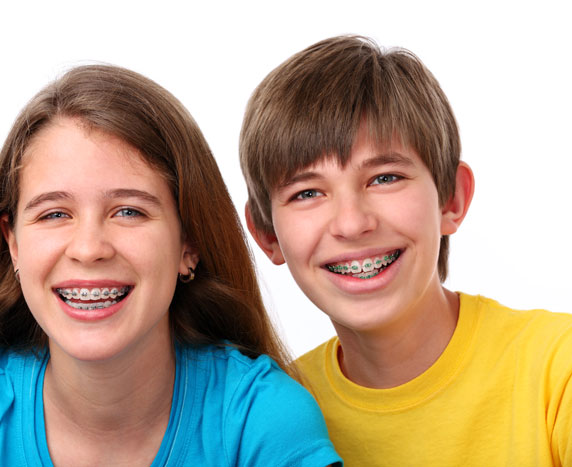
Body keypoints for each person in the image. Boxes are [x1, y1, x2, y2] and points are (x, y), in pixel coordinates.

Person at [0, 65, 341, 466]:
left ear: (189, 243)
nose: (88, 248)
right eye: (54, 214)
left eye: (129, 212)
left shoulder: (263, 422)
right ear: (13, 244)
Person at [240, 35, 572, 465]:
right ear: (267, 234)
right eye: (307, 193)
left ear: (451, 199)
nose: (352, 223)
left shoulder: (556, 369)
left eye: (385, 178)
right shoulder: (266, 416)